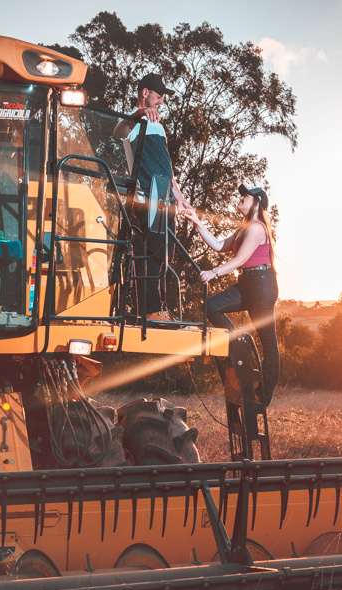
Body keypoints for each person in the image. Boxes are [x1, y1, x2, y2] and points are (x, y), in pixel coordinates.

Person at [184, 185, 280, 404]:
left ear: (256, 202)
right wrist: (197, 221)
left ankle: (263, 396)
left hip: (261, 284)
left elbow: (240, 260)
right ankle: (239, 342)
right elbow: (219, 246)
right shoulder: (242, 230)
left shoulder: (256, 228)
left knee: (268, 343)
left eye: (246, 195)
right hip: (247, 283)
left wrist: (214, 272)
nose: (241, 197)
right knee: (211, 306)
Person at [113, 73, 190, 325]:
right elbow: (118, 131)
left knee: (165, 255)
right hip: (148, 196)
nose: (162, 101)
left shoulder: (159, 125)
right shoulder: (133, 121)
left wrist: (179, 196)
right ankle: (150, 310)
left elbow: (166, 165)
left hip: (166, 196)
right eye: (159, 96)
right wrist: (140, 113)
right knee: (154, 252)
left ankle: (159, 309)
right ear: (145, 93)